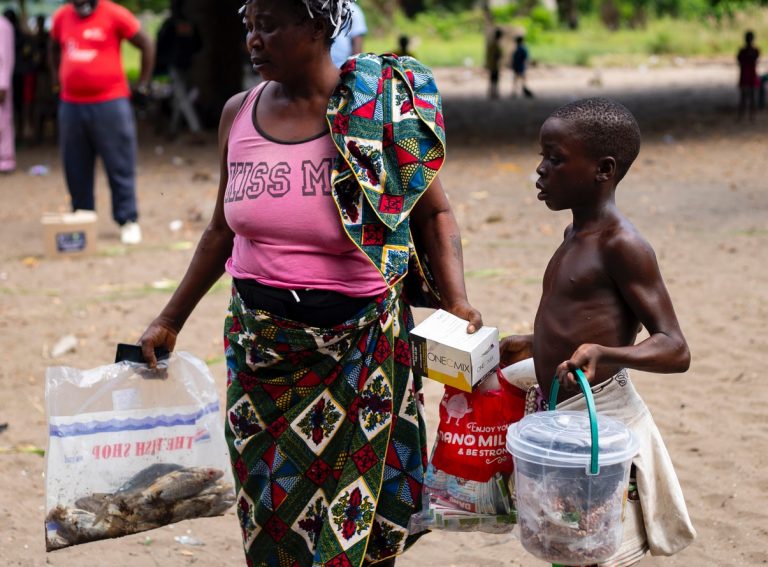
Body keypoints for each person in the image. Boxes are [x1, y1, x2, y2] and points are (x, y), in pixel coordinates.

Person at [138, 1, 482, 566]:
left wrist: (458, 300)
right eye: (248, 26)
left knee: (364, 527)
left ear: (320, 25)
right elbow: (220, 229)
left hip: (364, 355)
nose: (253, 40)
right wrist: (169, 318)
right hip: (262, 356)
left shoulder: (378, 110)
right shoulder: (238, 113)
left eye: (269, 26)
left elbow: (432, 214)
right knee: (271, 515)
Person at [500, 97, 696, 565]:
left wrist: (609, 354)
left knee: (593, 549)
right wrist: (532, 344)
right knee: (563, 545)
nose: (540, 170)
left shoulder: (622, 245)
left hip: (600, 420)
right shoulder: (574, 235)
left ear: (603, 170)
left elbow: (675, 348)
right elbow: (582, 318)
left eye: (555, 157)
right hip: (561, 416)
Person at [49, 0, 155, 245]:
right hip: (71, 104)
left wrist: (143, 84)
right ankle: (82, 217)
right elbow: (53, 48)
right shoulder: (62, 17)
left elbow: (145, 43)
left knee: (119, 162)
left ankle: (127, 220)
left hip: (110, 102)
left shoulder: (115, 14)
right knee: (74, 163)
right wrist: (57, 79)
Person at [155, 0, 204, 141]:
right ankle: (173, 128)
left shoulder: (170, 24)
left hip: (175, 65)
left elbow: (161, 44)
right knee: (181, 96)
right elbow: (198, 44)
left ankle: (195, 129)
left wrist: (162, 63)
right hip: (186, 63)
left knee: (182, 97)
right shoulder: (189, 23)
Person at [329, 0, 366, 68]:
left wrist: (353, 69)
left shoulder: (354, 11)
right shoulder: (325, 7)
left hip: (342, 67)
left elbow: (357, 49)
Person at [0, 12, 15, 173]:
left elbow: (6, 58)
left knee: (3, 121)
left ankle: (6, 160)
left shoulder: (3, 26)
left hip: (1, 83)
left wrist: (3, 85)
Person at [737, 30, 759, 122]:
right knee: (750, 96)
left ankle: (745, 116)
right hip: (749, 75)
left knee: (745, 96)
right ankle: (750, 116)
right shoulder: (754, 51)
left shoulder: (743, 51)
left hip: (746, 75)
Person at [485, 27, 502, 100]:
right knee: (495, 80)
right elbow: (497, 54)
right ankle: (494, 93)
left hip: (492, 65)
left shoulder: (492, 44)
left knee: (492, 80)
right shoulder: (495, 44)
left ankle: (491, 93)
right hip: (495, 65)